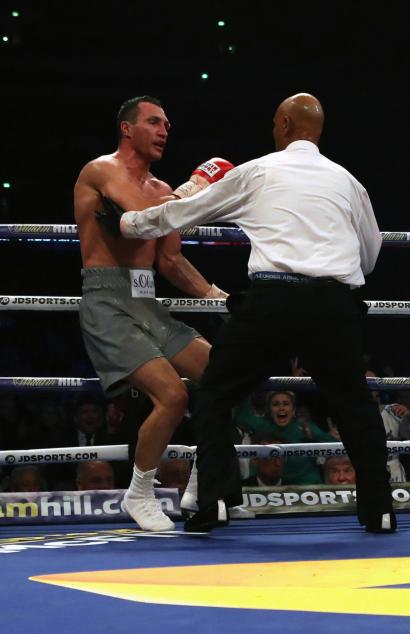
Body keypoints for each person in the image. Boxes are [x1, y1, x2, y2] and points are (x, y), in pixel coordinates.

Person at [106, 93, 393, 534]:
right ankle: (381, 512)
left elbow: (183, 213)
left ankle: (214, 502)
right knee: (355, 404)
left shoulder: (259, 170)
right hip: (335, 306)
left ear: (282, 124)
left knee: (216, 393)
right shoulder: (348, 181)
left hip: (273, 301)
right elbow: (370, 257)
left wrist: (126, 224)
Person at [73, 95, 232, 531]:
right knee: (173, 395)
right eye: (154, 122)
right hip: (108, 303)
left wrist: (219, 297)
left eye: (167, 124)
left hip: (149, 304)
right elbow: (141, 218)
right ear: (127, 128)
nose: (164, 130)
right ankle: (140, 492)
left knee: (224, 376)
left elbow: (171, 263)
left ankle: (203, 485)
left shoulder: (164, 192)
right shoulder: (101, 170)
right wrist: (193, 195)